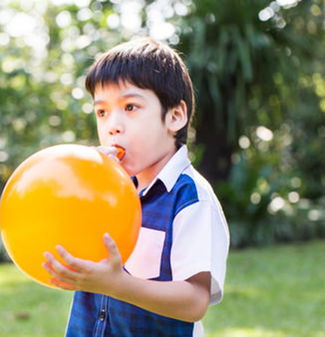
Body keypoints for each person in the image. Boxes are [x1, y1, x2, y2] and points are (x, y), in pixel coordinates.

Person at [42, 37, 230, 337]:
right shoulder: (103, 189)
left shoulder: (190, 197)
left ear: (175, 116)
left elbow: (195, 301)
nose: (112, 125)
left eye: (130, 107)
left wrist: (118, 285)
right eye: (102, 112)